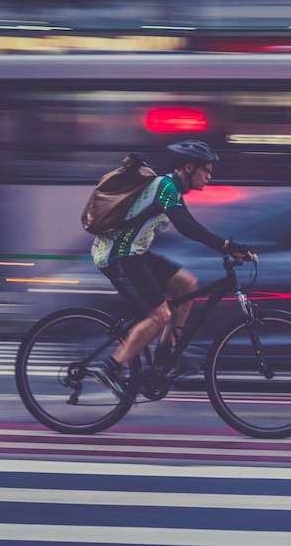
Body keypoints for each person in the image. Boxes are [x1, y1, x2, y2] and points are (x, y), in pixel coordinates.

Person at [90, 139, 253, 396]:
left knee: (187, 284)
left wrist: (225, 246)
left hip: (137, 254)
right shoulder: (165, 187)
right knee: (160, 315)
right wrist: (226, 246)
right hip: (119, 256)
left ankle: (166, 356)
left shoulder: (171, 190)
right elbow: (187, 227)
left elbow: (187, 223)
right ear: (189, 167)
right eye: (206, 170)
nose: (209, 176)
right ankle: (111, 367)